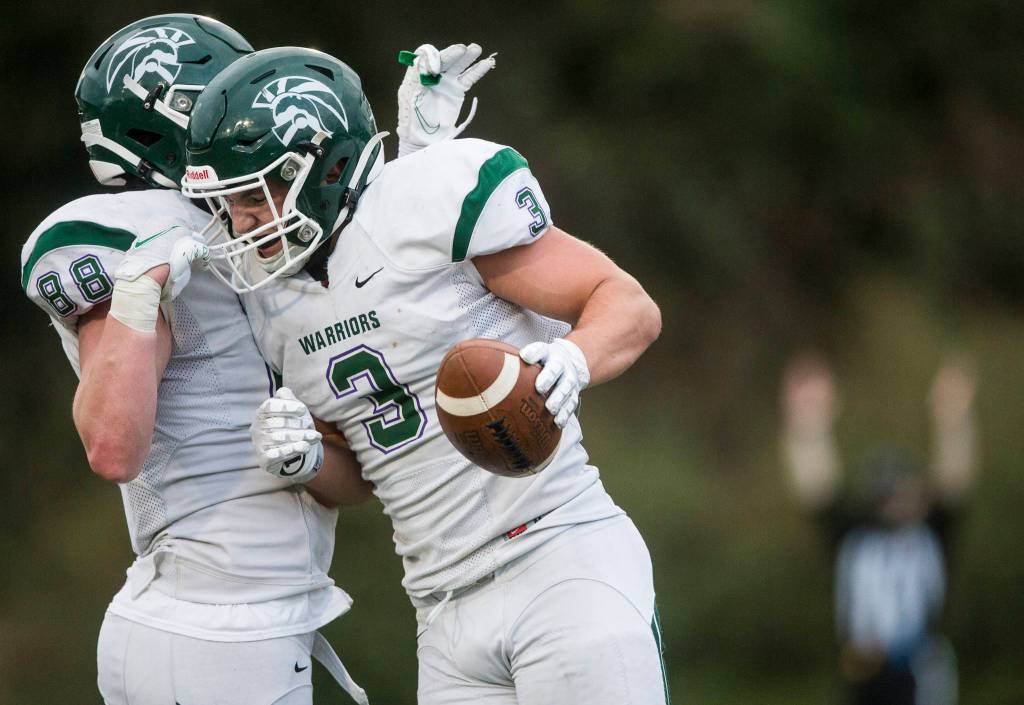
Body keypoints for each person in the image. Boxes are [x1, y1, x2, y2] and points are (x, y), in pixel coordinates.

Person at [20, 16, 488, 705]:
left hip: (240, 626)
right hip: (209, 627)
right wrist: (137, 290)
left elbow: (357, 467)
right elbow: (113, 447)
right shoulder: (151, 235)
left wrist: (419, 166)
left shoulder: (256, 242)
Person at [181, 45, 669, 705]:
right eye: (230, 202)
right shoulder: (271, 305)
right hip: (442, 611)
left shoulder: (426, 202)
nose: (241, 222)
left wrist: (575, 357)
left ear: (321, 167)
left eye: (255, 194)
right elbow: (361, 469)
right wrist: (304, 461)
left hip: (560, 561)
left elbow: (629, 308)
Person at [780, 353, 977, 705]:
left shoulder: (931, 530)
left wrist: (954, 420)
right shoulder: (855, 533)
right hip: (863, 672)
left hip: (920, 669)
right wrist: (807, 424)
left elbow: (955, 480)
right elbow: (818, 489)